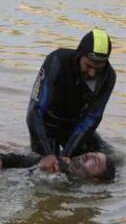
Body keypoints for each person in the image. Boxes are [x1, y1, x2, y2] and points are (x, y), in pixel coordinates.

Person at [27, 29, 116, 173]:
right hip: (46, 125)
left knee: (112, 161)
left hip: (75, 127)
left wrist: (68, 153)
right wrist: (48, 153)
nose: (92, 73)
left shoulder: (108, 76)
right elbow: (35, 111)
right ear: (79, 55)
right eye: (88, 66)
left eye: (98, 68)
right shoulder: (57, 61)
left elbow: (92, 118)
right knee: (46, 170)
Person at [0, 151, 116, 181]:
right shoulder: (56, 161)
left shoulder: (81, 196)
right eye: (92, 153)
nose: (89, 155)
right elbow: (19, 159)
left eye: (96, 161)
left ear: (95, 181)